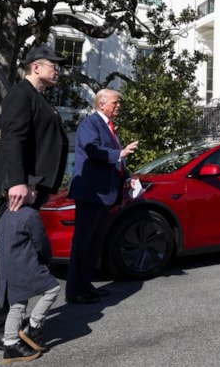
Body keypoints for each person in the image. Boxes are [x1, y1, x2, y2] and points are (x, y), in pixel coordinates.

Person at [0, 45, 68, 353]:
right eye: (54, 65)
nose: (58, 70)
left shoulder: (37, 97)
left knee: (15, 258)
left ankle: (5, 327)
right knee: (8, 261)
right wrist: (18, 181)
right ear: (36, 67)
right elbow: (13, 139)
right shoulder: (21, 94)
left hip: (31, 187)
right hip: (20, 189)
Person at [66, 89, 138, 304]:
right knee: (83, 243)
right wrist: (120, 153)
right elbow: (93, 151)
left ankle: (86, 286)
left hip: (104, 195)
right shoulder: (90, 124)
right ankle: (75, 291)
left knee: (94, 243)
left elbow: (115, 160)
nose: (119, 106)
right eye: (115, 103)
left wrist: (127, 177)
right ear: (101, 104)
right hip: (92, 194)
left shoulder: (109, 126)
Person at [0, 183, 61, 363]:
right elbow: (41, 242)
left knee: (17, 304)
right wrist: (47, 259)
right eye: (31, 188)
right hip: (25, 266)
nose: (36, 191)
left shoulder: (5, 214)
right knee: (53, 289)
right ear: (20, 193)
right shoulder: (30, 214)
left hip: (7, 269)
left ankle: (10, 343)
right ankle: (33, 326)